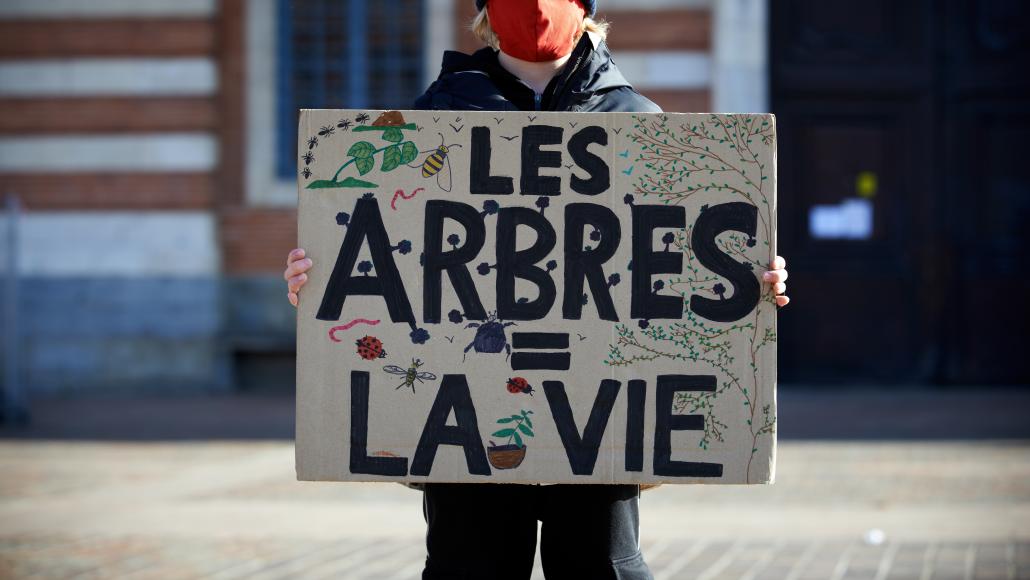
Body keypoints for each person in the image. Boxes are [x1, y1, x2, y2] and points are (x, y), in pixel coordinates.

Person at [284, 1, 790, 578]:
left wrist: (750, 279)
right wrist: (316, 275)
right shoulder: (433, 116)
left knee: (601, 567)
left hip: (599, 422)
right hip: (466, 425)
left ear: (585, 7)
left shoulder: (638, 119)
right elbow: (388, 250)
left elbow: (680, 257)